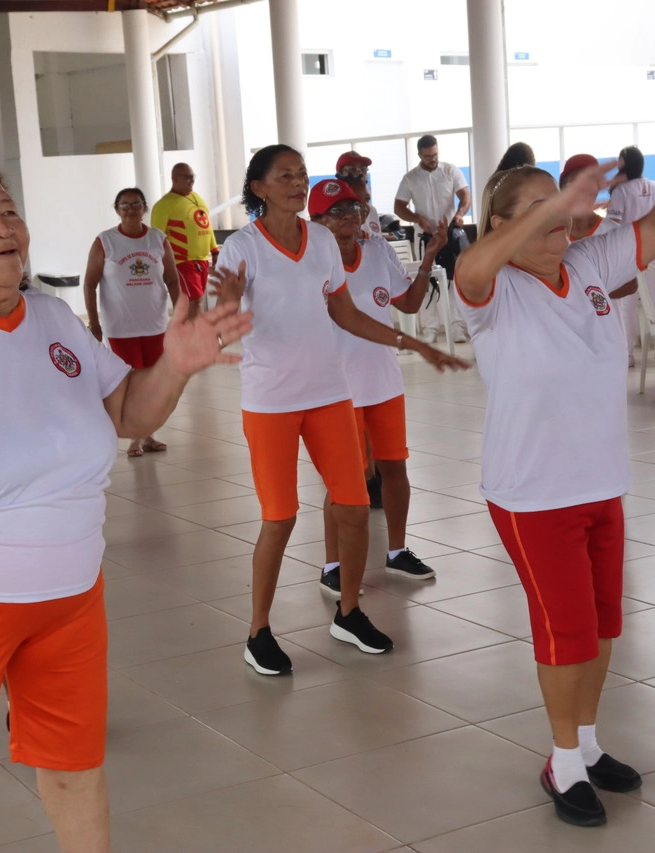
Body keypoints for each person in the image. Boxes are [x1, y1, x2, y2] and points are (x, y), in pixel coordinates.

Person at [0, 159, 250, 852]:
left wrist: (177, 364)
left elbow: (128, 413)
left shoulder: (53, 318)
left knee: (74, 765)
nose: (3, 227)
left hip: (69, 597)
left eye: (8, 211)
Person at [454, 118, 655, 827]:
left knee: (603, 626)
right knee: (566, 632)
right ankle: (562, 761)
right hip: (532, 494)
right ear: (501, 224)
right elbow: (471, 268)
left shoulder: (589, 265)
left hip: (601, 484)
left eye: (561, 201)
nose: (561, 214)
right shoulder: (490, 289)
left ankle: (588, 742)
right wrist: (551, 205)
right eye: (539, 206)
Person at [212, 145, 464, 676]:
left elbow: (345, 313)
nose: (297, 183)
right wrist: (228, 303)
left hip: (328, 393)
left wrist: (410, 342)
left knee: (352, 506)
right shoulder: (241, 247)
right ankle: (258, 631)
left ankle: (348, 613)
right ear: (258, 188)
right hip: (271, 401)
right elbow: (221, 327)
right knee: (279, 517)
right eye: (285, 176)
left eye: (301, 174)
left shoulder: (322, 240)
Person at [308, 178, 469, 594]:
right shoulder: (311, 263)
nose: (349, 217)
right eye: (336, 212)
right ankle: (332, 565)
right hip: (338, 389)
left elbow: (409, 304)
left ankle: (397, 552)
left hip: (383, 382)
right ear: (317, 221)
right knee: (346, 479)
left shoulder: (378, 251)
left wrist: (429, 258)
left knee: (394, 468)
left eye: (353, 208)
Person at [83, 187, 181, 456]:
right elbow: (90, 283)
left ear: (144, 208)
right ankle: (135, 437)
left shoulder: (158, 239)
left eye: (136, 204)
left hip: (155, 324)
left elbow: (172, 279)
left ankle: (147, 435)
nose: (130, 210)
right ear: (117, 210)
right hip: (121, 327)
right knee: (129, 381)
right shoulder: (105, 241)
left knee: (151, 381)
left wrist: (181, 315)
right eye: (124, 205)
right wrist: (94, 323)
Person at [394, 134, 472, 344]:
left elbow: (465, 196)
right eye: (428, 156)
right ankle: (430, 329)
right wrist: (417, 219)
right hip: (424, 236)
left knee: (453, 280)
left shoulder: (450, 171)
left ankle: (457, 327)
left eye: (435, 154)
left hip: (449, 233)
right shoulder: (411, 178)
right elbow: (399, 207)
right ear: (419, 155)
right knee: (426, 281)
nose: (433, 159)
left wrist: (459, 214)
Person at [605, 146, 655, 365]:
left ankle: (628, 355)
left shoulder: (620, 191)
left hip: (629, 255)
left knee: (627, 306)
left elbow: (612, 225)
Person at [150, 162, 217, 319]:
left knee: (198, 299)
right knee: (194, 301)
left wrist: (214, 251)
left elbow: (206, 225)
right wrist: (161, 265)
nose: (191, 181)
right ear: (175, 179)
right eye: (187, 177)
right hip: (181, 262)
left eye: (192, 177)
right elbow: (156, 239)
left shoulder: (197, 198)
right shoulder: (163, 205)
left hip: (202, 260)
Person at [335, 151, 381, 237]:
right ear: (340, 174)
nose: (360, 173)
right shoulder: (334, 212)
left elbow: (378, 240)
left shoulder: (372, 210)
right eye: (352, 169)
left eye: (363, 169)